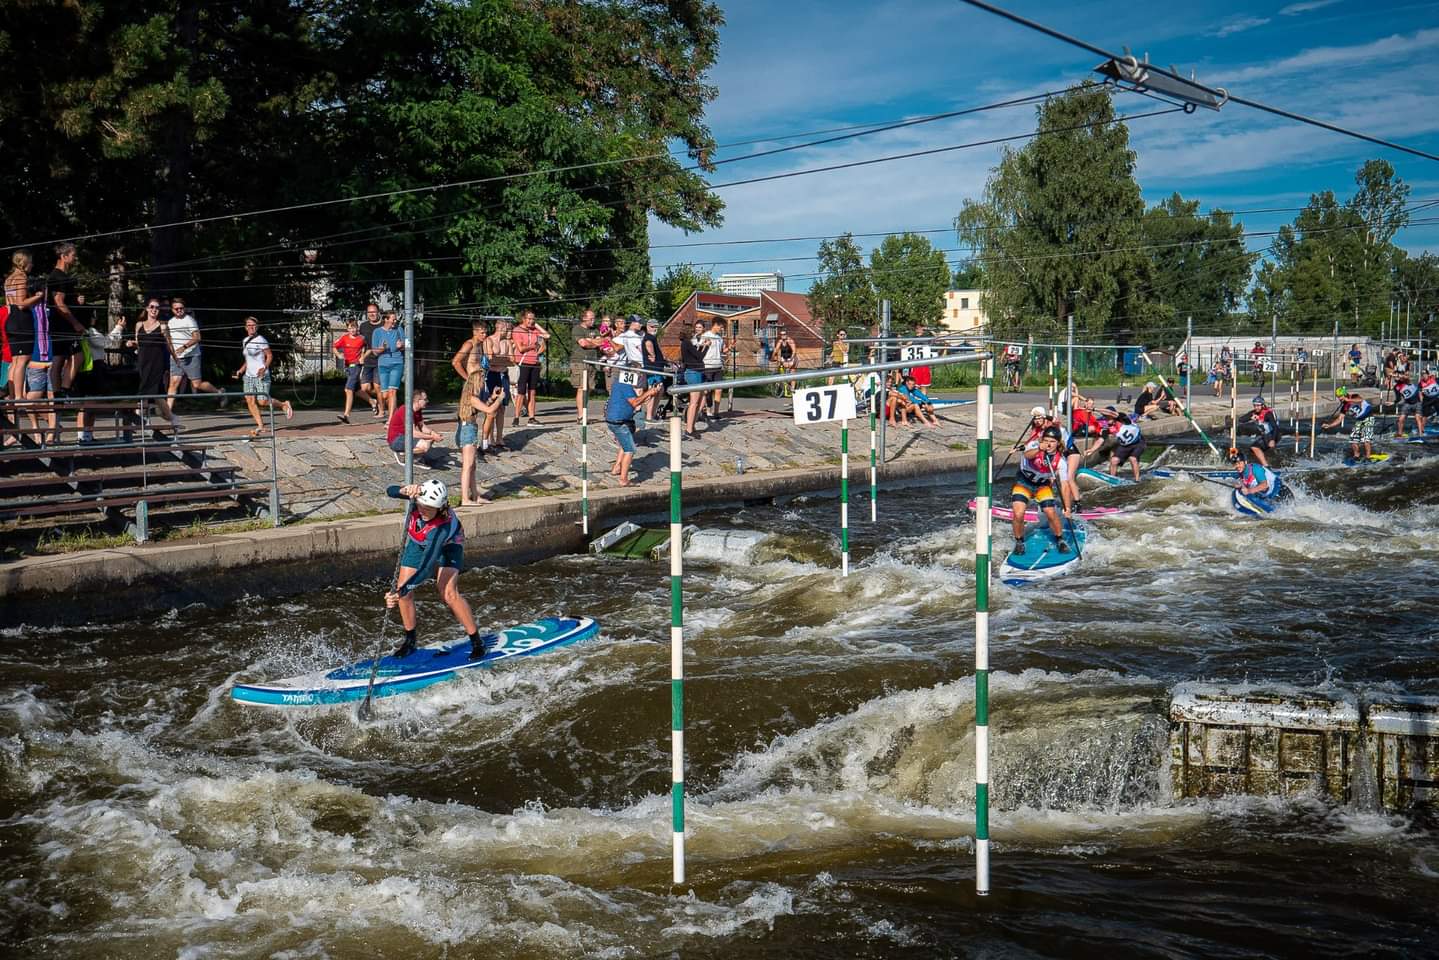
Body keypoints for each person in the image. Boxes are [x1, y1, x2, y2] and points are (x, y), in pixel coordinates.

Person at [383, 478, 491, 661]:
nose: (423, 511)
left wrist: (400, 591)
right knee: (403, 590)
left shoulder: (440, 528)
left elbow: (426, 568)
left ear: (440, 508)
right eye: (421, 506)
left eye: (429, 509)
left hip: (448, 546)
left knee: (448, 593)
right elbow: (389, 490)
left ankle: (477, 642)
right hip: (418, 543)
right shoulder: (419, 499)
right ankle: (410, 641)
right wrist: (404, 490)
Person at [1009, 425, 1073, 554]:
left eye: (1052, 442)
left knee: (1050, 512)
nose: (1049, 444)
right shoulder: (1034, 445)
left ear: (1058, 443)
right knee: (1018, 513)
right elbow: (1027, 455)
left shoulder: (1061, 461)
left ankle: (1060, 539)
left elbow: (1065, 485)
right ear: (1042, 440)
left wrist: (1067, 507)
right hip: (1023, 483)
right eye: (1046, 440)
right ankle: (1019, 541)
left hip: (1042, 486)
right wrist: (1039, 448)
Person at [126, 298, 181, 439]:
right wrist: (132, 343)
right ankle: (170, 418)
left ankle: (138, 419)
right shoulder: (139, 325)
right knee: (152, 392)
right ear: (146, 308)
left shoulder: (162, 326)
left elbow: (169, 345)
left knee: (149, 390)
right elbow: (139, 343)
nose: (154, 309)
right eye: (151, 307)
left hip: (157, 362)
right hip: (143, 362)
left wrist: (176, 359)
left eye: (157, 307)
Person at [232, 316, 294, 437]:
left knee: (263, 401)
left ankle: (283, 404)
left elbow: (269, 356)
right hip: (249, 376)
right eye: (249, 325)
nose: (251, 327)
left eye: (253, 325)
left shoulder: (261, 340)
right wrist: (240, 370)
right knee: (250, 401)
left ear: (257, 327)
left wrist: (264, 368)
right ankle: (260, 425)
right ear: (245, 327)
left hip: (261, 375)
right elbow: (248, 360)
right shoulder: (245, 341)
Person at [165, 296, 227, 412]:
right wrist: (173, 352)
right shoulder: (170, 322)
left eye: (181, 308)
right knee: (173, 384)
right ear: (172, 310)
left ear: (184, 308)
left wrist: (184, 347)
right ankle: (168, 411)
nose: (179, 310)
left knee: (197, 384)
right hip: (176, 357)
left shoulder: (189, 320)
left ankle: (219, 392)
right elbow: (169, 339)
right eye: (176, 309)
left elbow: (197, 337)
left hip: (192, 356)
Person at [456, 374, 506, 504]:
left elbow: (483, 407)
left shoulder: (470, 398)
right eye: (481, 381)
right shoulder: (471, 398)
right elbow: (489, 410)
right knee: (467, 466)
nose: (483, 384)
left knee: (472, 466)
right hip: (468, 431)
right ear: (475, 383)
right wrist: (500, 399)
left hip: (469, 430)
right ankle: (465, 499)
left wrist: (493, 397)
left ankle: (475, 496)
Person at [605, 374, 661, 486]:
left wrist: (650, 394)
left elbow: (637, 402)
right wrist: (649, 392)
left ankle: (616, 468)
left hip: (616, 419)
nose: (640, 379)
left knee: (624, 444)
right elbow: (634, 402)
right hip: (619, 422)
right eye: (639, 376)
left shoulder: (618, 383)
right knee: (629, 450)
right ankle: (623, 480)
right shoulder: (626, 386)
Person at [5, 251, 42, 417]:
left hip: (11, 318)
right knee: (22, 359)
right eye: (31, 262)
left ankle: (13, 394)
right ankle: (19, 397)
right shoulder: (21, 278)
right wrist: (38, 297)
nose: (32, 265)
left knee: (15, 361)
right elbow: (21, 303)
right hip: (21, 320)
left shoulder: (8, 279)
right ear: (24, 262)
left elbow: (10, 303)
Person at [510, 309, 549, 427]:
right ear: (523, 319)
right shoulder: (517, 330)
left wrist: (536, 325)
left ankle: (532, 417)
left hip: (534, 363)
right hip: (523, 363)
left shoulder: (535, 331)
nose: (531, 321)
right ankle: (516, 417)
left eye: (533, 319)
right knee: (521, 391)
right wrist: (532, 346)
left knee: (532, 391)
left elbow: (547, 336)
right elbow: (520, 348)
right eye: (529, 319)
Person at [387, 388, 443, 468]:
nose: (427, 401)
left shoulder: (417, 410)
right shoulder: (406, 410)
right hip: (396, 440)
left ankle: (415, 458)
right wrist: (432, 436)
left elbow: (422, 426)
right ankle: (403, 456)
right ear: (418, 400)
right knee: (425, 445)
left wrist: (433, 433)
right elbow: (413, 432)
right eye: (425, 399)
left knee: (429, 440)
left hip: (405, 437)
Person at [483, 318, 514, 449]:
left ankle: (499, 438)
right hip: (492, 375)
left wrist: (500, 361)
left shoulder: (506, 342)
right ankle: (489, 437)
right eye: (506, 329)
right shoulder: (488, 340)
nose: (508, 331)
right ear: (499, 328)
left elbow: (512, 360)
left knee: (502, 407)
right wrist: (503, 360)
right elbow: (490, 359)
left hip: (503, 375)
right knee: (491, 406)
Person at [1322, 385, 1375, 462]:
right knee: (1353, 439)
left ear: (1344, 394)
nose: (1339, 399)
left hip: (1368, 417)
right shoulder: (1344, 406)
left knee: (1366, 439)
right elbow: (1340, 418)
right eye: (1338, 397)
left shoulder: (1354, 396)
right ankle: (1356, 456)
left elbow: (1360, 399)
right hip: (1359, 420)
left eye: (1340, 396)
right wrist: (1329, 425)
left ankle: (1368, 457)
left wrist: (1348, 400)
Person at [332, 317, 370, 423]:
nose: (353, 330)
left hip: (356, 366)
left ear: (357, 328)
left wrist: (363, 356)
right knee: (357, 390)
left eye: (354, 328)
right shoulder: (344, 338)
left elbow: (369, 348)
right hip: (348, 366)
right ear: (347, 329)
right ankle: (373, 402)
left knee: (348, 390)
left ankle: (346, 415)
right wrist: (338, 354)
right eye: (350, 328)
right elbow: (334, 346)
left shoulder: (362, 338)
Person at [371, 310, 405, 422]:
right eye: (393, 319)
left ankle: (390, 420)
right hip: (383, 364)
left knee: (392, 391)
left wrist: (401, 346)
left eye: (395, 319)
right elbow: (375, 351)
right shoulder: (377, 332)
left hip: (397, 362)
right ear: (386, 319)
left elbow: (407, 345)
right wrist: (381, 349)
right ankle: (395, 414)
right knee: (385, 395)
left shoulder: (399, 329)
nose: (395, 321)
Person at [680, 319, 708, 438]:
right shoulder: (686, 343)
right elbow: (699, 357)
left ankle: (692, 425)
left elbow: (695, 354)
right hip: (693, 373)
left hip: (697, 372)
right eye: (693, 331)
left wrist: (701, 346)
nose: (694, 333)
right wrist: (706, 347)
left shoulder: (687, 343)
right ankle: (689, 429)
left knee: (699, 400)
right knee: (694, 402)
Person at [570, 309, 600, 418]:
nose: (593, 320)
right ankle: (581, 416)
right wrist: (593, 342)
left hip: (592, 362)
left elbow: (601, 342)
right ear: (584, 318)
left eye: (594, 318)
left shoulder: (595, 330)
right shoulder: (577, 329)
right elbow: (583, 344)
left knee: (589, 388)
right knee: (582, 388)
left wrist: (590, 341)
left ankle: (584, 411)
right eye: (591, 318)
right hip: (579, 361)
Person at [1235, 395, 1279, 467]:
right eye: (1255, 406)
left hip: (1273, 434)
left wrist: (1272, 440)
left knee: (1254, 447)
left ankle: (1266, 466)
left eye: (1258, 406)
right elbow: (1241, 419)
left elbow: (1275, 427)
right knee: (1252, 449)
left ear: (1262, 405)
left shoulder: (1268, 414)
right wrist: (1250, 418)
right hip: (1265, 435)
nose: (1256, 407)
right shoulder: (1254, 413)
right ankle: (1262, 464)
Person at [359, 302, 384, 418]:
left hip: (380, 360)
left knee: (377, 386)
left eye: (374, 311)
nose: (372, 314)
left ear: (378, 312)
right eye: (369, 312)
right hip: (368, 360)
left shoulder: (384, 325)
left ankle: (381, 410)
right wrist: (361, 356)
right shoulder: (363, 326)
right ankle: (374, 400)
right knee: (365, 388)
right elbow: (361, 343)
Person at [641, 318, 666, 420]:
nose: (654, 329)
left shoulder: (652, 337)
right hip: (653, 369)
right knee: (653, 391)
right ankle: (649, 416)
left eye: (656, 327)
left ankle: (652, 414)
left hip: (657, 369)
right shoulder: (648, 338)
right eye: (652, 327)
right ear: (647, 327)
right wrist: (652, 354)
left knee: (659, 390)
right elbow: (649, 345)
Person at [701, 317, 725, 417]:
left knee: (719, 389)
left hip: (718, 366)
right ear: (715, 325)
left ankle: (716, 412)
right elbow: (701, 349)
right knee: (707, 390)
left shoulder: (720, 338)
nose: (722, 329)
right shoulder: (706, 335)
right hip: (708, 366)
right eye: (721, 327)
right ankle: (707, 409)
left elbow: (722, 351)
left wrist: (731, 347)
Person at [1109, 414, 1145, 481]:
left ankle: (1137, 480)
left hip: (1138, 444)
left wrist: (1094, 409)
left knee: (1133, 458)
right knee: (1114, 460)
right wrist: (1091, 450)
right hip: (1124, 446)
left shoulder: (1128, 422)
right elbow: (1101, 439)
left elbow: (1111, 412)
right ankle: (1112, 479)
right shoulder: (1112, 428)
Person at [1393, 374, 1423, 439]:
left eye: (1397, 377)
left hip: (1417, 402)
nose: (1396, 378)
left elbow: (1406, 377)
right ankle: (1400, 434)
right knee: (1401, 419)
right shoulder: (1396, 387)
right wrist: (1393, 402)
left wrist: (1397, 375)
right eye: (1394, 377)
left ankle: (1421, 434)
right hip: (1407, 404)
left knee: (1417, 418)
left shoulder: (1406, 381)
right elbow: (1398, 399)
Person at [774, 327, 798, 397]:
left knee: (792, 372)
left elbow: (794, 351)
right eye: (781, 335)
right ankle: (780, 384)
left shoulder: (790, 341)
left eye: (784, 334)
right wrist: (773, 357)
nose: (782, 336)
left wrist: (791, 358)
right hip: (784, 358)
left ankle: (793, 388)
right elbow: (776, 350)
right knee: (779, 367)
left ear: (786, 334)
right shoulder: (780, 341)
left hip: (791, 358)